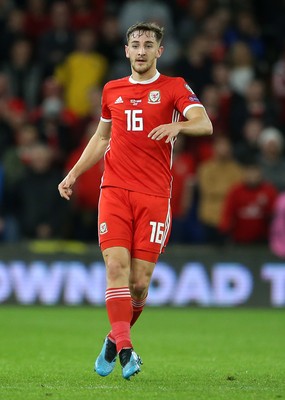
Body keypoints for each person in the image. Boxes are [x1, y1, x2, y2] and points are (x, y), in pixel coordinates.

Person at [58, 21, 213, 380]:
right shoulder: (112, 89)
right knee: (116, 269)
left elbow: (204, 123)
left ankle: (114, 338)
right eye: (135, 44)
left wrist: (179, 126)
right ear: (126, 50)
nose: (141, 50)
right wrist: (74, 173)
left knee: (139, 284)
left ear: (159, 51)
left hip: (156, 196)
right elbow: (101, 138)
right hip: (113, 191)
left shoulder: (173, 87)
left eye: (148, 44)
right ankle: (127, 351)